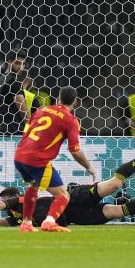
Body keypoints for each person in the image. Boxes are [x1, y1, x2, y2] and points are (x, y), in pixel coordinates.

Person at [0, 157, 135, 227]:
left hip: (72, 198)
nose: (3, 206)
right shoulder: (16, 219)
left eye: (4, 202)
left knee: (114, 185)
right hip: (73, 216)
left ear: (9, 199)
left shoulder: (21, 200)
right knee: (117, 212)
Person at [14, 86, 96, 232]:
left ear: (58, 98)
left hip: (20, 155)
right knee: (63, 194)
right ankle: (49, 221)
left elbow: (27, 130)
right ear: (75, 102)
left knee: (33, 185)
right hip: (37, 160)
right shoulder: (71, 120)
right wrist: (89, 167)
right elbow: (75, 151)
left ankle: (26, 223)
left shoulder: (42, 110)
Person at [0, 50, 36, 135]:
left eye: (23, 64)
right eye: (17, 63)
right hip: (14, 130)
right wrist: (30, 130)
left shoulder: (0, 79)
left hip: (0, 127)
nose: (21, 67)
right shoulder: (14, 82)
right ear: (9, 62)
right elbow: (23, 110)